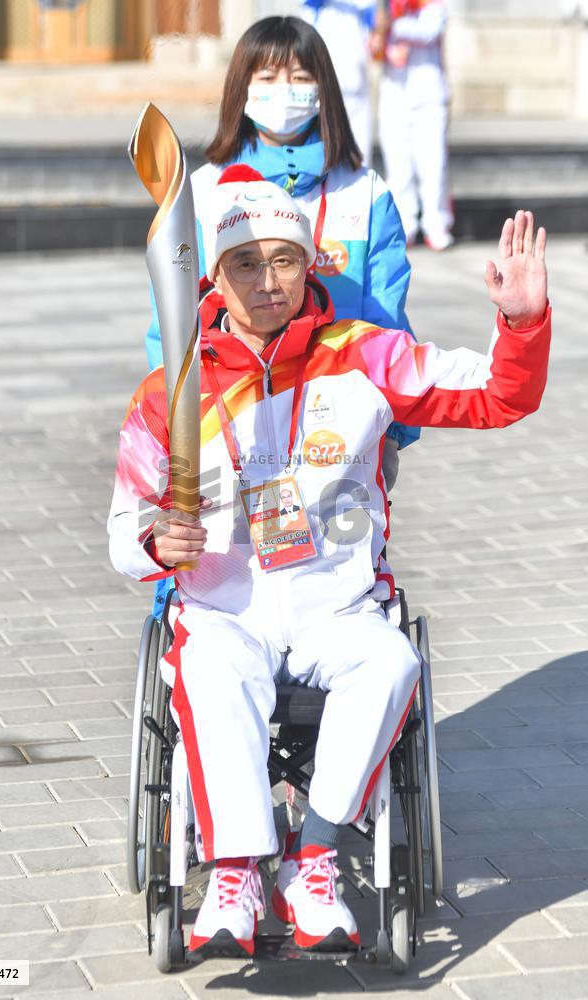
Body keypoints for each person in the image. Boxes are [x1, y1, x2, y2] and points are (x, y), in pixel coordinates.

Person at [108, 168, 550, 956]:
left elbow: (496, 396)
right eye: (246, 262)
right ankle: (235, 873)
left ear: (309, 263)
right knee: (208, 670)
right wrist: (154, 540)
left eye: (284, 259)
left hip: (336, 606)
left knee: (392, 663)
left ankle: (312, 861)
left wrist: (520, 324)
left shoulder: (364, 357)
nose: (267, 281)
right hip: (224, 610)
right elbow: (124, 525)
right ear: (213, 275)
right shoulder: (172, 390)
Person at [145, 15, 419, 619]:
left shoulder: (363, 192)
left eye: (299, 76)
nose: (284, 90)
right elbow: (171, 321)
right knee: (224, 560)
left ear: (324, 89)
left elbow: (389, 316)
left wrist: (393, 426)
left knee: (333, 565)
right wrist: (175, 423)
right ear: (241, 89)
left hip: (334, 422)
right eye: (266, 77)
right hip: (233, 413)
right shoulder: (204, 190)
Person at [371, 0, 453, 250]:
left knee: (433, 165)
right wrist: (377, 29)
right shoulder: (381, 8)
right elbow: (373, 49)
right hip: (394, 95)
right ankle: (405, 224)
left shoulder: (431, 6)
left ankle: (436, 224)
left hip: (429, 98)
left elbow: (428, 32)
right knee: (398, 167)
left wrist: (390, 24)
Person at [298, 0, 376, 163]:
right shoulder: (315, 8)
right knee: (325, 156)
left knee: (360, 159)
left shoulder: (361, 8)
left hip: (357, 90)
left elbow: (375, 22)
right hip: (323, 94)